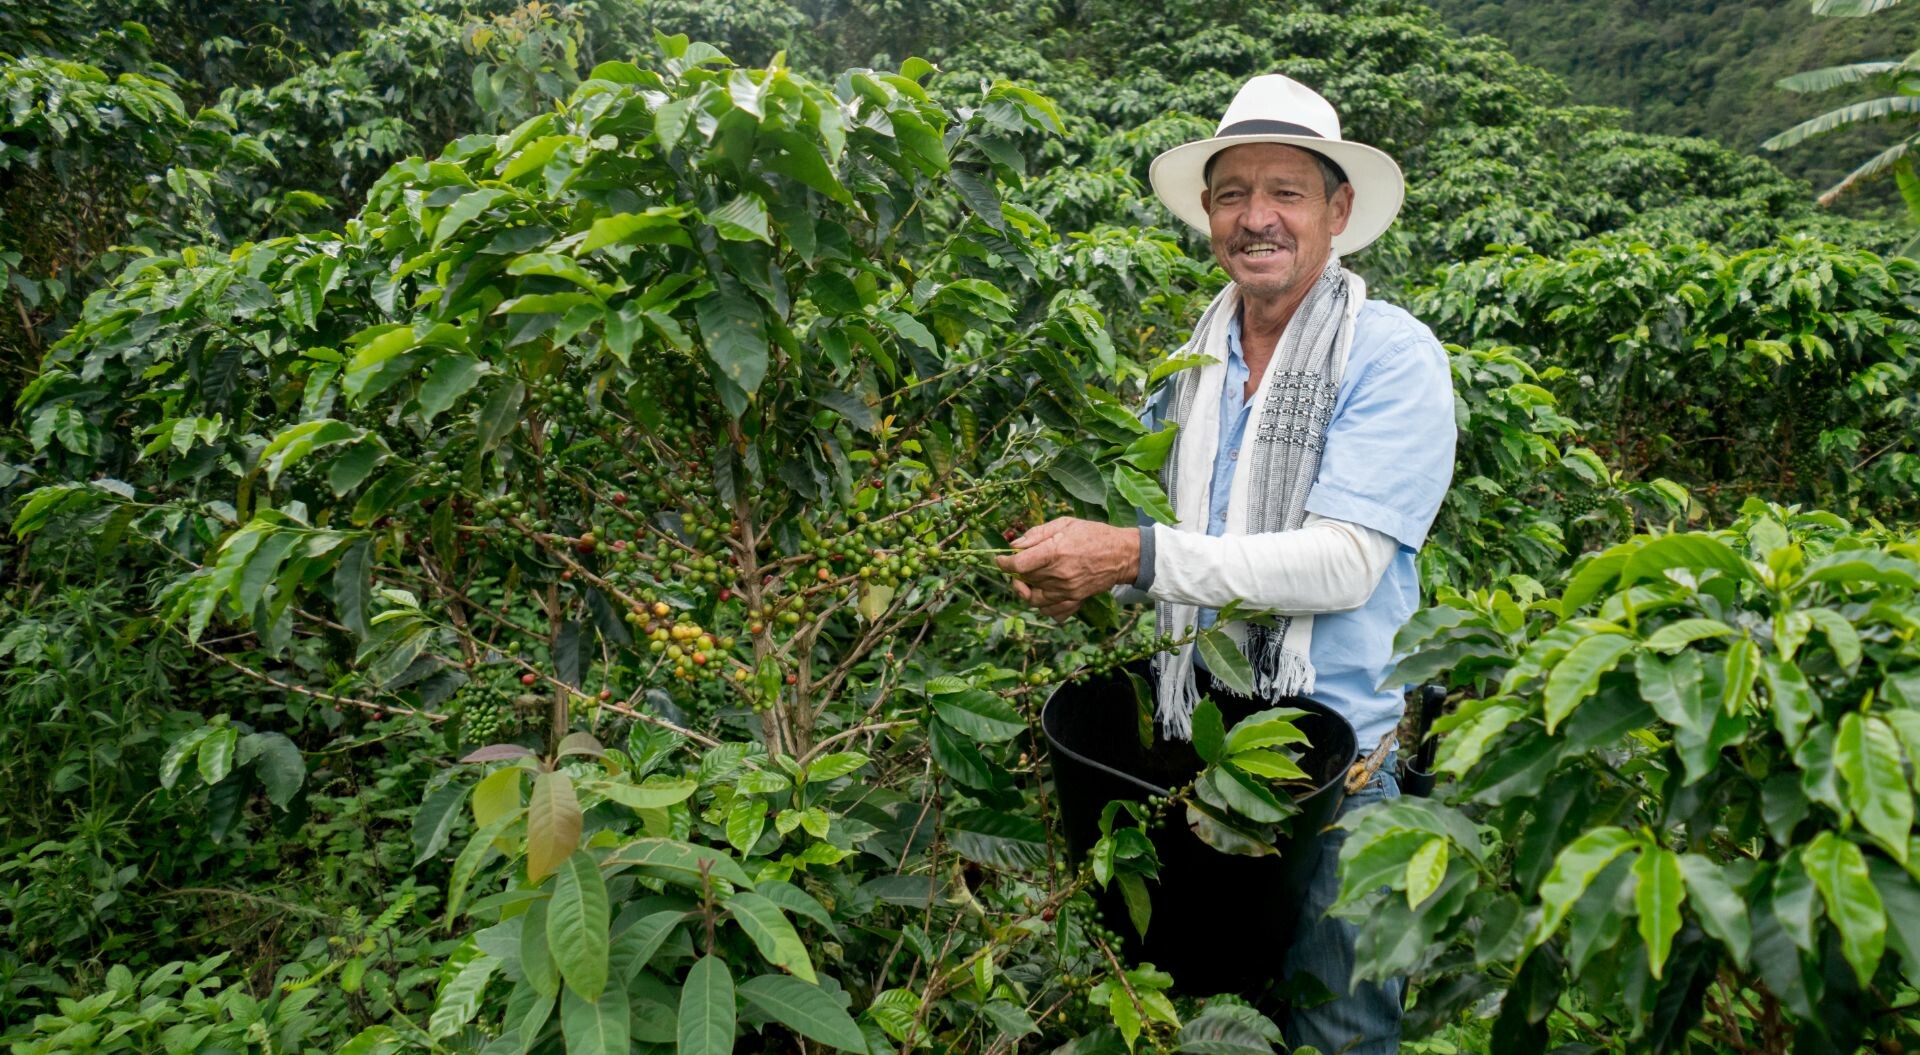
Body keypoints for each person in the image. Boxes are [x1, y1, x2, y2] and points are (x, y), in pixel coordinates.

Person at [995, 73, 1457, 1054]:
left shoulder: (1390, 358)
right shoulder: (1188, 371)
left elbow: (1341, 566)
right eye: (1234, 192)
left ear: (1337, 211)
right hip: (1194, 765)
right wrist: (1076, 564)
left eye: (1287, 192)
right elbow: (1157, 544)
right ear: (1207, 212)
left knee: (1340, 1024)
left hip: (1339, 783)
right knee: (1201, 1017)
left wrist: (1131, 552)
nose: (1258, 219)